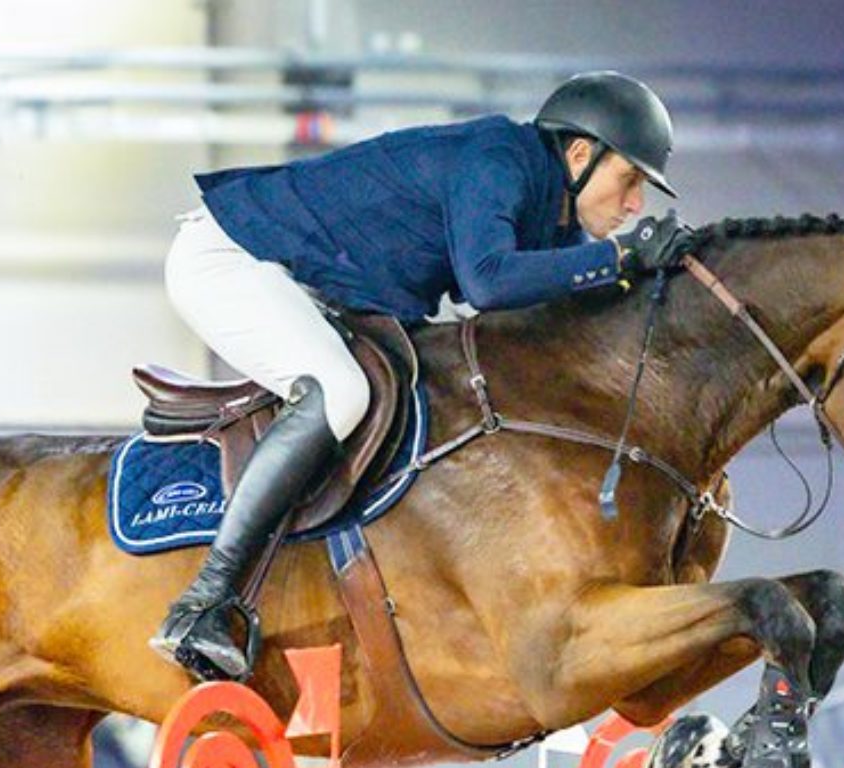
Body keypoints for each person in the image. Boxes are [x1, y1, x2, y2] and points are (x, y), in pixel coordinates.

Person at [152, 71, 687, 682]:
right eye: (631, 179)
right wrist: (620, 257)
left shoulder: (553, 212)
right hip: (230, 257)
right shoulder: (498, 158)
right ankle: (203, 603)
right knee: (340, 393)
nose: (635, 205)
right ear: (580, 154)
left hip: (307, 285)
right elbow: (488, 282)